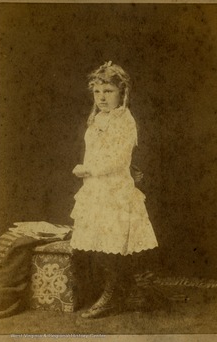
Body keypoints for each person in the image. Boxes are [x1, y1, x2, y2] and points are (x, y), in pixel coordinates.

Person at [70, 61, 158, 319]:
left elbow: (119, 158)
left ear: (122, 92)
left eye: (108, 91)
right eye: (97, 92)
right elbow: (96, 150)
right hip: (96, 188)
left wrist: (88, 170)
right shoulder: (97, 118)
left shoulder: (124, 120)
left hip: (115, 189)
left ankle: (112, 295)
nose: (102, 97)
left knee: (113, 243)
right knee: (100, 243)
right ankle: (124, 290)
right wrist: (88, 171)